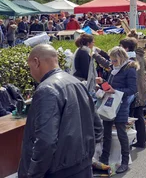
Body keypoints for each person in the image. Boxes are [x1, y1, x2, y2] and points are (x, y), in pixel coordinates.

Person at [18, 45, 102, 178]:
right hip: (82, 166)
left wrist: (33, 174)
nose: (30, 72)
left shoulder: (47, 89)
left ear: (36, 62)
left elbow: (46, 141)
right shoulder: (76, 82)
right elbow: (97, 126)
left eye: (30, 67)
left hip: (58, 171)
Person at [96, 46, 138, 174]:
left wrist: (115, 91)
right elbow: (112, 84)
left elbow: (132, 89)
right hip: (110, 103)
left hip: (121, 104)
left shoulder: (129, 70)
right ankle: (104, 159)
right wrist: (103, 83)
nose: (112, 63)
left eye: (114, 61)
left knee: (121, 133)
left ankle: (124, 161)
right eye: (112, 60)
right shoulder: (114, 69)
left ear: (120, 58)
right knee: (106, 132)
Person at [121, 38, 146, 149]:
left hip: (135, 89)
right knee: (139, 115)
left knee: (131, 116)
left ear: (126, 48)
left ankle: (131, 141)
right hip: (141, 87)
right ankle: (142, 140)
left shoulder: (129, 59)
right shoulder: (140, 56)